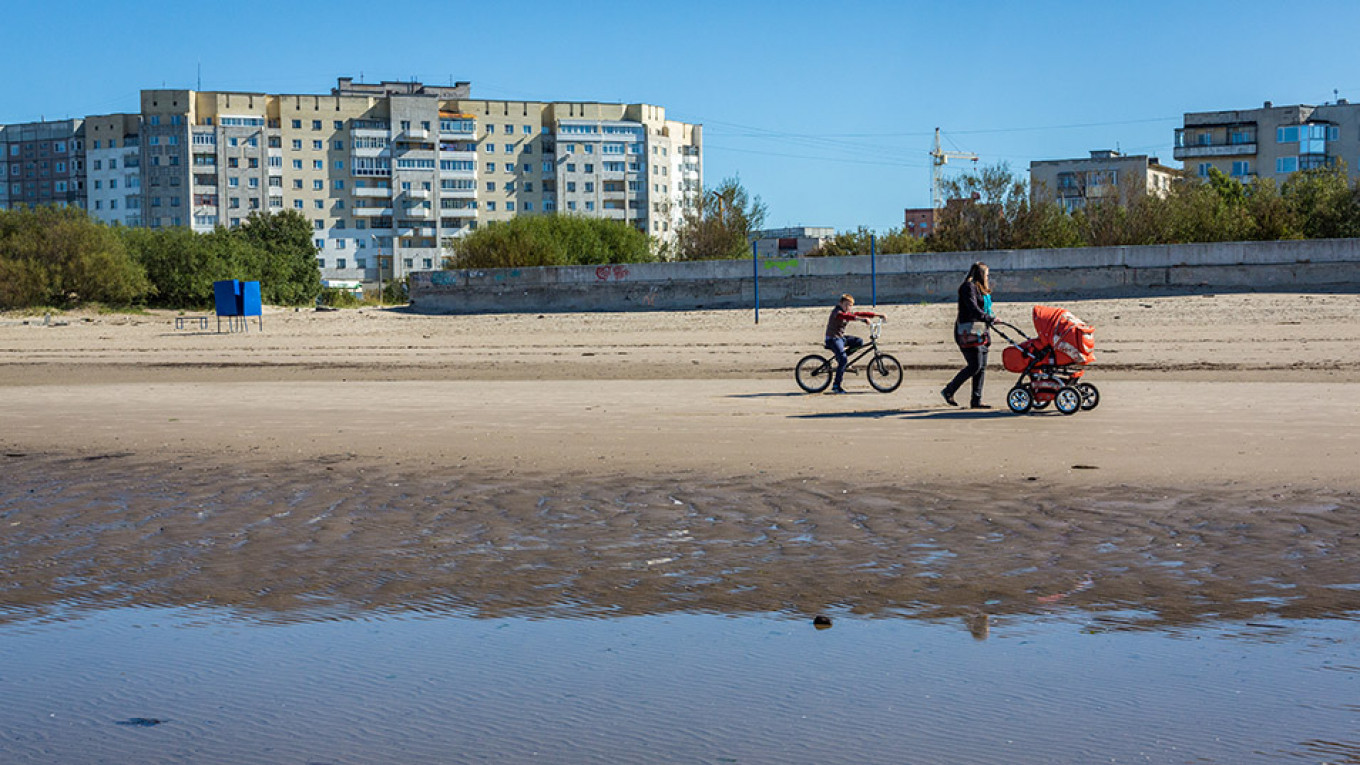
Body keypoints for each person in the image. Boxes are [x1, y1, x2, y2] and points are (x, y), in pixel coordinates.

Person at [941, 262, 994, 408]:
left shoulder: (980, 289)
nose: (988, 278)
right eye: (987, 275)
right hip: (967, 331)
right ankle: (949, 390)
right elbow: (973, 308)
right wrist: (989, 318)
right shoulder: (968, 287)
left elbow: (983, 309)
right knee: (975, 365)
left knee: (981, 366)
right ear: (981, 274)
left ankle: (976, 400)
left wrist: (990, 319)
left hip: (981, 330)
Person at [824, 293, 884, 394]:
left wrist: (878, 315)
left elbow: (860, 313)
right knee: (843, 359)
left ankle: (841, 359)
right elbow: (845, 316)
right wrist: (861, 320)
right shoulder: (837, 312)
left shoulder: (847, 312)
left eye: (850, 305)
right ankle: (836, 386)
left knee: (859, 342)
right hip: (832, 339)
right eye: (846, 305)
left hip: (841, 338)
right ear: (841, 303)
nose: (848, 307)